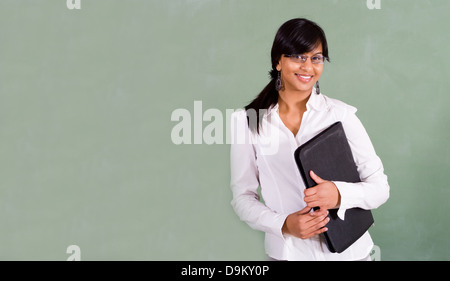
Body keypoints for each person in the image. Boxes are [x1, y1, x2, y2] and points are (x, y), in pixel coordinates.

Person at [229, 18, 390, 261]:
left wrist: (339, 194)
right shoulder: (248, 122)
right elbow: (242, 198)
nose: (308, 66)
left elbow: (380, 189)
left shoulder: (341, 116)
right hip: (288, 255)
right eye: (298, 56)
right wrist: (284, 224)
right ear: (278, 61)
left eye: (316, 58)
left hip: (351, 255)